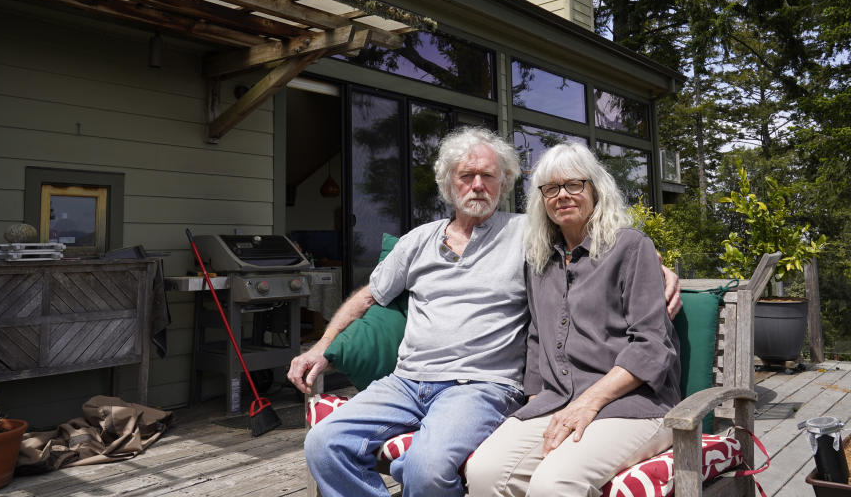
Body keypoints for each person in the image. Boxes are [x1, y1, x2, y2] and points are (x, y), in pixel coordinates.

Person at [288, 128, 680, 497]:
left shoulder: (529, 234)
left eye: (488, 176)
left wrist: (658, 267)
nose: (477, 185)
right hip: (406, 381)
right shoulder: (417, 241)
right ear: (448, 184)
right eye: (467, 176)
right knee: (323, 443)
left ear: (505, 183)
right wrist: (322, 346)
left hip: (480, 386)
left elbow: (599, 241)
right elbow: (368, 297)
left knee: (428, 468)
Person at [466, 142, 682, 497]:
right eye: (551, 188)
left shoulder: (630, 247)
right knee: (485, 472)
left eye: (574, 184)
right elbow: (537, 338)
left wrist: (589, 401)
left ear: (595, 189)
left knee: (554, 484)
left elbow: (651, 346)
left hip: (636, 406)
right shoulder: (539, 259)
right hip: (559, 400)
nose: (562, 195)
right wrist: (536, 402)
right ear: (542, 200)